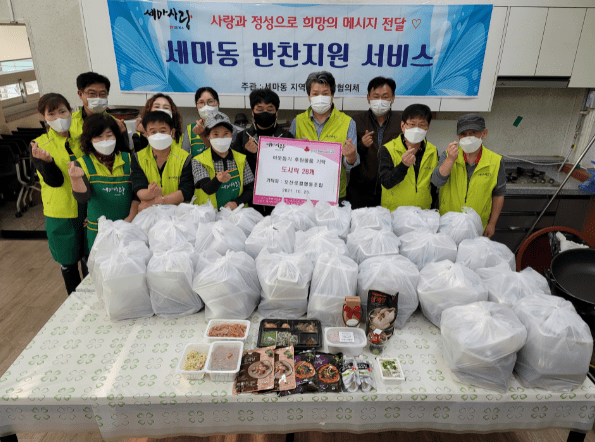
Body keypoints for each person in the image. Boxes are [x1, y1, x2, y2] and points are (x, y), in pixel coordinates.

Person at [30, 93, 86, 295]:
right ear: (44, 118)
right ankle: (75, 301)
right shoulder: (39, 145)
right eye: (51, 114)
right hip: (61, 212)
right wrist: (47, 162)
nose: (58, 118)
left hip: (87, 207)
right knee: (68, 261)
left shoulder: (82, 138)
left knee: (90, 257)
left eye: (62, 111)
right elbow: (55, 181)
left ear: (70, 111)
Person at [69, 114, 138, 253]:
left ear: (116, 136)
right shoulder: (82, 163)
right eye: (99, 137)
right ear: (90, 139)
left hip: (127, 226)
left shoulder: (129, 159)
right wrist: (76, 180)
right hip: (98, 232)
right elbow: (83, 198)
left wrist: (129, 219)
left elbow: (136, 193)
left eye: (109, 135)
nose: (105, 140)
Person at [431, 113, 506, 238]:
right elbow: (436, 181)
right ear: (458, 137)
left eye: (473, 133)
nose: (468, 137)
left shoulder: (496, 161)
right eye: (463, 134)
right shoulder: (447, 155)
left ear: (484, 134)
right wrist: (450, 160)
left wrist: (492, 224)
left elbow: (499, 194)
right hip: (448, 225)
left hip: (477, 226)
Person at [289, 71, 359, 204]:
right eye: (315, 94)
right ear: (309, 96)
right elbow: (288, 159)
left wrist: (351, 156)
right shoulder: (297, 122)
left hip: (334, 193)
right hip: (303, 191)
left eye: (325, 94)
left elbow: (350, 165)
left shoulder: (348, 122)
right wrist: (298, 150)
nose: (320, 98)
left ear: (332, 95)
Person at [231, 88, 294, 215]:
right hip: (250, 202)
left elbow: (294, 168)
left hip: (279, 202)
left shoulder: (287, 137)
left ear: (276, 112)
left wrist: (305, 149)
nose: (265, 113)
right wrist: (246, 153)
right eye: (259, 109)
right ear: (252, 112)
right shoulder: (242, 137)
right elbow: (233, 167)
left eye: (270, 110)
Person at [349, 77, 402, 209]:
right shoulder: (355, 121)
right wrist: (362, 145)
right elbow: (348, 156)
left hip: (392, 190)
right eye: (376, 96)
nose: (380, 101)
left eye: (385, 97)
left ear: (392, 98)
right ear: (368, 98)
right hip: (360, 191)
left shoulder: (401, 123)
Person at [379, 104, 439, 212]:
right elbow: (386, 182)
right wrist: (403, 166)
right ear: (403, 126)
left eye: (422, 125)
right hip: (394, 214)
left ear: (428, 127)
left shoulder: (432, 150)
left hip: (423, 213)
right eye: (412, 124)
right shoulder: (388, 149)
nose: (416, 129)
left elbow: (434, 186)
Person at [131, 111, 194, 211]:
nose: (158, 135)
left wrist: (158, 201)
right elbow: (138, 188)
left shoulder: (185, 158)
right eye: (153, 132)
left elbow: (186, 191)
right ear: (146, 134)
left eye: (163, 131)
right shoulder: (138, 158)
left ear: (172, 133)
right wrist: (149, 193)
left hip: (178, 212)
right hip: (150, 212)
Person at [193, 111, 255, 209]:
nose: (221, 138)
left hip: (236, 214)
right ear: (208, 136)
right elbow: (207, 188)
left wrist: (236, 203)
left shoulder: (241, 159)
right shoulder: (199, 160)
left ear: (231, 135)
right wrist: (218, 180)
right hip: (208, 215)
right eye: (215, 134)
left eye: (226, 133)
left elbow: (250, 189)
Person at [71, 72, 127, 141]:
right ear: (80, 94)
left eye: (103, 94)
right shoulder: (69, 123)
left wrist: (121, 135)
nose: (98, 98)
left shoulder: (115, 123)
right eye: (92, 93)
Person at [182, 86, 220, 157]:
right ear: (197, 106)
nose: (206, 106)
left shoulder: (229, 129)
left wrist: (202, 135)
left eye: (210, 101)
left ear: (218, 104)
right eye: (201, 102)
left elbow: (223, 155)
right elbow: (184, 159)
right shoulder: (190, 130)